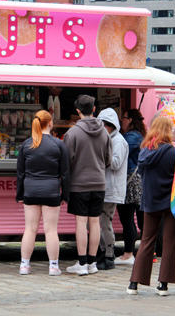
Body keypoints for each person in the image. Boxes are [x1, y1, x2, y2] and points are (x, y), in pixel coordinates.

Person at [127, 116, 175, 296]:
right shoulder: (173, 152)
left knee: (146, 241)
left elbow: (142, 173)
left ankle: (134, 283)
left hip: (150, 201)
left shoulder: (144, 152)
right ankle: (163, 284)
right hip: (171, 201)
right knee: (169, 241)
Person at [16, 110, 70, 276]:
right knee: (51, 230)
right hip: (51, 190)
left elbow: (20, 173)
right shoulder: (59, 145)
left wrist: (20, 195)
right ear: (51, 123)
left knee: (30, 229)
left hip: (30, 190)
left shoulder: (26, 145)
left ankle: (24, 265)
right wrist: (65, 196)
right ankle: (53, 266)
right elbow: (65, 173)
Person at [63, 95, 111, 275]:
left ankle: (82, 263)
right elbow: (108, 159)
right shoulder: (105, 132)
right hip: (99, 183)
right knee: (95, 223)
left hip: (79, 184)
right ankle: (93, 262)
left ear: (77, 111)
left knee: (81, 223)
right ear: (94, 109)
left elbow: (67, 161)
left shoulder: (73, 133)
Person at [96, 108, 129, 270]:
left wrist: (101, 156)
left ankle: (109, 255)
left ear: (109, 126)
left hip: (112, 189)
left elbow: (115, 163)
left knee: (105, 223)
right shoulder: (110, 139)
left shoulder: (118, 141)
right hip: (106, 188)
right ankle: (104, 252)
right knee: (101, 223)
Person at [116, 109, 146, 265]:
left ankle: (128, 253)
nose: (122, 120)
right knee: (139, 219)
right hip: (138, 182)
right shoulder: (139, 135)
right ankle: (146, 252)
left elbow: (120, 152)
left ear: (131, 120)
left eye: (125, 118)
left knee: (127, 217)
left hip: (130, 182)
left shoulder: (131, 137)